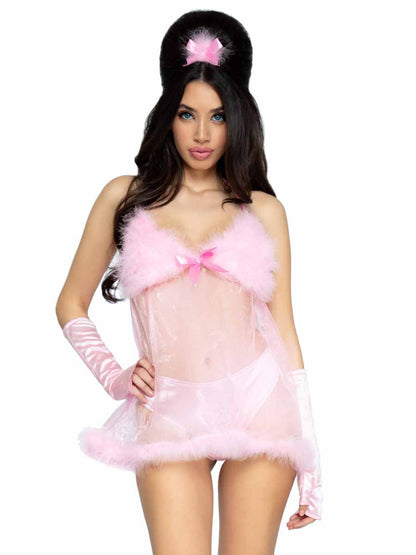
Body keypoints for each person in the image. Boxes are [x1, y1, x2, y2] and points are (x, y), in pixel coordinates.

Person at [56, 9, 323, 554]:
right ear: (168, 117)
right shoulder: (126, 198)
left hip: (259, 406)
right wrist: (115, 377)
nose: (202, 134)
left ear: (237, 121)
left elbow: (285, 331)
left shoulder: (262, 209)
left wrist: (311, 459)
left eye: (218, 117)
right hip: (169, 410)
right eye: (187, 114)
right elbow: (70, 303)